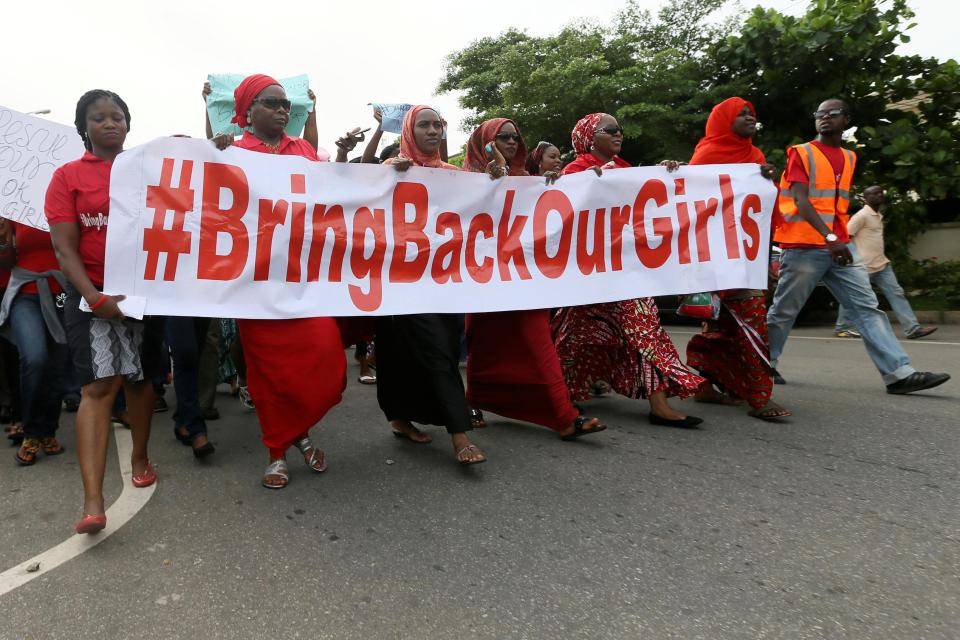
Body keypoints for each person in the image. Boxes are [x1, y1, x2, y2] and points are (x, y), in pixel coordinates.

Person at [212, 74, 347, 487]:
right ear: (247, 112)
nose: (283, 110)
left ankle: (298, 433)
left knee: (329, 364)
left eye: (286, 104)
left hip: (304, 279)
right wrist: (212, 154)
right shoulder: (232, 151)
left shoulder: (302, 150)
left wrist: (353, 161)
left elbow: (335, 193)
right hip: (256, 284)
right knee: (271, 375)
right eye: (271, 102)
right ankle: (280, 451)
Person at [767, 99, 949, 394]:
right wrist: (830, 239)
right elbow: (801, 200)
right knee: (785, 311)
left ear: (846, 119)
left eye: (832, 114)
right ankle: (764, 364)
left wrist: (837, 240)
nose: (825, 118)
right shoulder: (801, 153)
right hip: (805, 245)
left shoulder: (849, 157)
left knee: (867, 308)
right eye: (820, 114)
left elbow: (835, 204)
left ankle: (899, 374)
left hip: (840, 246)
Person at [46, 90, 165, 534]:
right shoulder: (67, 177)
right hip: (90, 295)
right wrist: (94, 297)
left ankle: (139, 455)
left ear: (128, 125)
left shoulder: (151, 170)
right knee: (98, 386)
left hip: (146, 294)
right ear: (85, 127)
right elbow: (63, 247)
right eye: (99, 118)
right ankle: (93, 500)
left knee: (140, 379)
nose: (110, 124)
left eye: (118, 117)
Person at [552, 113, 706, 427]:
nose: (619, 134)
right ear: (589, 137)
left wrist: (666, 175)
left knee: (645, 327)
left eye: (620, 129)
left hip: (627, 271)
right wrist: (583, 186)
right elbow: (563, 218)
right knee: (575, 336)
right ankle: (561, 395)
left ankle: (658, 404)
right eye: (610, 130)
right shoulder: (575, 171)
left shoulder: (626, 171)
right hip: (589, 272)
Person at [461, 119, 604, 440]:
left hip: (523, 279)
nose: (511, 142)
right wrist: (493, 178)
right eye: (503, 137)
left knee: (538, 339)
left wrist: (554, 186)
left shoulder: (530, 181)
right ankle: (476, 399)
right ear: (485, 141)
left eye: (515, 137)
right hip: (482, 279)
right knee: (483, 343)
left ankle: (563, 416)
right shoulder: (462, 180)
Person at [377, 105, 486, 464]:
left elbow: (486, 208)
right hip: (403, 284)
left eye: (438, 124)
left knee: (415, 353)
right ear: (408, 131)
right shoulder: (389, 172)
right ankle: (460, 434)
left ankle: (399, 418)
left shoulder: (454, 176)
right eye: (423, 125)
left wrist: (497, 180)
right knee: (437, 353)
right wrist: (387, 177)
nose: (433, 131)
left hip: (446, 283)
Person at [684, 97, 790, 420]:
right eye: (741, 113)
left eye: (751, 114)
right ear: (722, 119)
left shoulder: (755, 156)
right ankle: (759, 398)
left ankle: (705, 382)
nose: (748, 118)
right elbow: (690, 203)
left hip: (746, 256)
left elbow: (759, 209)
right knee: (737, 324)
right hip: (715, 256)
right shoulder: (706, 155)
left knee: (737, 325)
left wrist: (768, 179)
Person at [0, 219, 70, 463]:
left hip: (61, 293)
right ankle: (31, 433)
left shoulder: (64, 203)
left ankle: (48, 431)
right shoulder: (15, 207)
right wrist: (2, 241)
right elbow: (5, 263)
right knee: (34, 358)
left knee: (57, 366)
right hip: (25, 295)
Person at [833, 185, 936, 340]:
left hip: (882, 265)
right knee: (853, 296)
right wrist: (849, 258)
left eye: (881, 192)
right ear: (865, 198)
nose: (879, 195)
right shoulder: (861, 216)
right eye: (874, 193)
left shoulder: (877, 215)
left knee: (897, 294)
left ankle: (913, 329)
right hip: (863, 266)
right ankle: (842, 328)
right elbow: (845, 236)